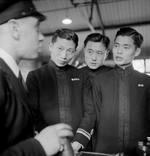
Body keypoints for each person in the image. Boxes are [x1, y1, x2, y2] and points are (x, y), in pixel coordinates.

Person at [0, 0, 73, 155]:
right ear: (15, 29)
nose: (41, 37)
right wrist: (40, 145)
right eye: (36, 27)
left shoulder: (13, 75)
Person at [26, 28, 95, 153]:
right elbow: (33, 114)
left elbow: (90, 112)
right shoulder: (35, 76)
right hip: (49, 145)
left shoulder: (82, 76)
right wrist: (53, 140)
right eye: (60, 48)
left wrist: (79, 141)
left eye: (69, 51)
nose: (64, 55)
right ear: (51, 46)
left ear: (75, 51)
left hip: (79, 146)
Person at [92, 27, 150, 155]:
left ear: (137, 51)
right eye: (117, 45)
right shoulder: (99, 80)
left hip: (138, 151)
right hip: (105, 151)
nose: (118, 51)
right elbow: (92, 117)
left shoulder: (147, 82)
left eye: (126, 47)